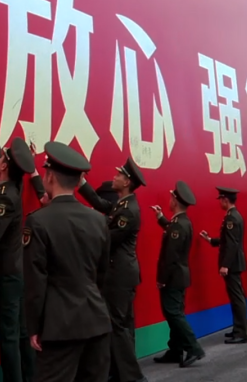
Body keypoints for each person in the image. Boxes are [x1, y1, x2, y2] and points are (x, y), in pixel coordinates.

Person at [23, 141, 112, 382]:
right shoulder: (98, 220)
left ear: (50, 176)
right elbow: (102, 273)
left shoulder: (38, 221)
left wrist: (34, 327)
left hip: (59, 326)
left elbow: (35, 281)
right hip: (97, 320)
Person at [0, 98, 37, 382]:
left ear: (3, 166)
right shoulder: (8, 183)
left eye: (2, 158)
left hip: (6, 276)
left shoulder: (6, 196)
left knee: (9, 336)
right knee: (21, 332)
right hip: (14, 272)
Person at [75, 158, 148, 382]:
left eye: (118, 175)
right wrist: (81, 182)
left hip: (119, 275)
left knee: (117, 326)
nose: (114, 177)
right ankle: (120, 372)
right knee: (122, 325)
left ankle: (132, 376)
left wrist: (89, 224)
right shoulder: (122, 204)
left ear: (126, 182)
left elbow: (108, 238)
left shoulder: (128, 211)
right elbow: (100, 204)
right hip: (121, 273)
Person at [150, 181, 203, 367]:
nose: (169, 200)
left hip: (173, 277)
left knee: (173, 313)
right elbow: (172, 230)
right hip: (179, 275)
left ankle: (193, 348)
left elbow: (171, 257)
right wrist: (160, 217)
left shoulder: (179, 225)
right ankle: (175, 350)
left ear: (175, 201)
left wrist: (162, 279)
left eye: (171, 197)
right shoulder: (180, 222)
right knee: (175, 312)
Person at [200, 186, 247, 344]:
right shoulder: (233, 215)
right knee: (235, 297)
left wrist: (225, 265)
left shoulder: (231, 218)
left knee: (237, 298)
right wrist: (210, 240)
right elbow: (226, 240)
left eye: (220, 199)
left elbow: (232, 244)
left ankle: (242, 333)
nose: (219, 202)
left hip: (232, 264)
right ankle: (238, 328)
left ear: (225, 200)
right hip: (234, 263)